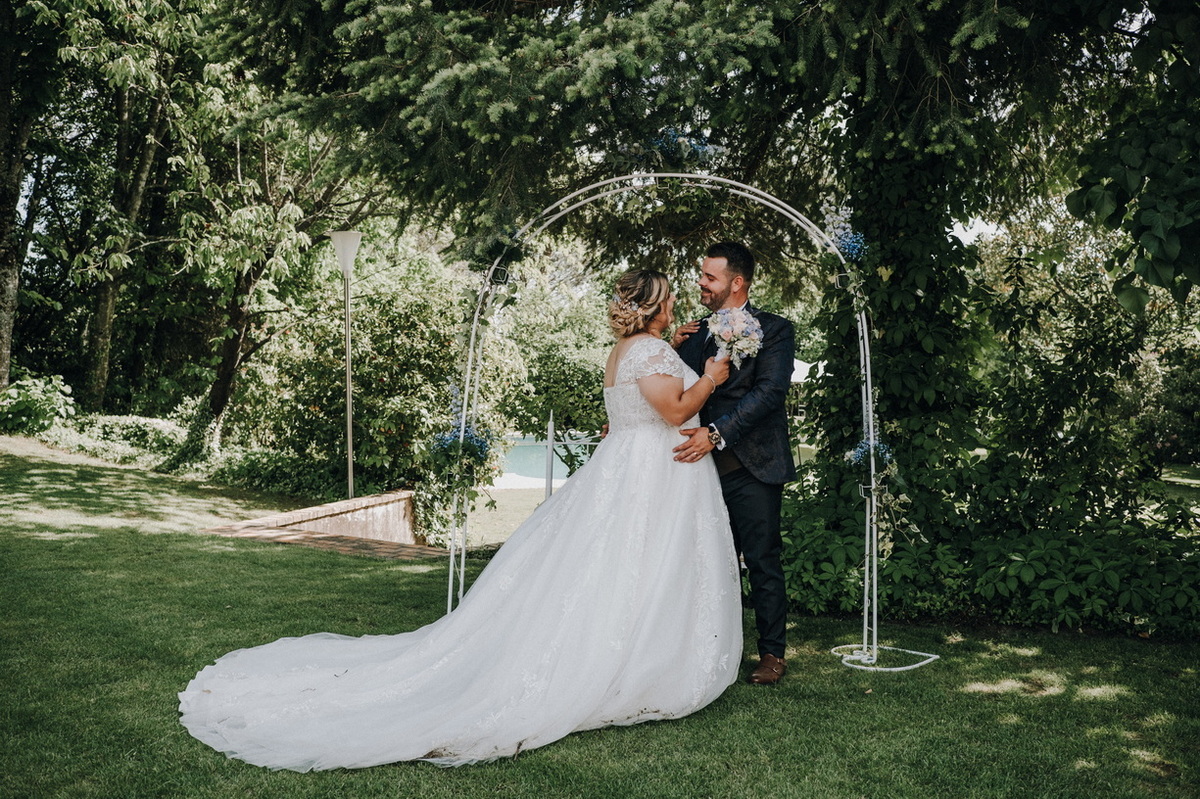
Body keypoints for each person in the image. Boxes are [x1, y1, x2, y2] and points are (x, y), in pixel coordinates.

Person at [178, 269, 743, 770]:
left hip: (631, 466)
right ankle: (629, 662)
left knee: (625, 563)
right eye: (670, 298)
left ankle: (636, 651)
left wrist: (675, 350)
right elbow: (673, 409)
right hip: (650, 469)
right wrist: (712, 377)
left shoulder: (632, 349)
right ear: (656, 305)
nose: (677, 303)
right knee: (637, 562)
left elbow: (637, 403)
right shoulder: (650, 352)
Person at [672, 242, 796, 686]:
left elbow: (770, 393)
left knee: (762, 560)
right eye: (702, 275)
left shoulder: (775, 330)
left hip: (753, 464)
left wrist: (716, 432)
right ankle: (707, 647)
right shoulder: (691, 334)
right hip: (698, 469)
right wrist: (671, 348)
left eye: (710, 277)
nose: (701, 283)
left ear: (737, 282)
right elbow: (674, 391)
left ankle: (772, 654)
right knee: (703, 559)